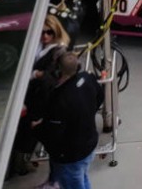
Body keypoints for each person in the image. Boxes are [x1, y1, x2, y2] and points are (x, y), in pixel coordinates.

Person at [31, 51, 102, 189]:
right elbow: (100, 97)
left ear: (58, 71)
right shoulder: (87, 78)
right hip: (88, 145)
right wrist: (84, 114)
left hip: (71, 157)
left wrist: (37, 128)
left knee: (73, 184)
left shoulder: (59, 99)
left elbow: (53, 134)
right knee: (82, 177)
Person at [12, 15, 71, 177]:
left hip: (39, 99)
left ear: (56, 32)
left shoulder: (58, 51)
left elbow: (52, 79)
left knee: (29, 132)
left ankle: (20, 164)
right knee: (24, 131)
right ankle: (19, 163)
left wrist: (37, 75)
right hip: (29, 94)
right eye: (42, 32)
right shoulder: (37, 45)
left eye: (49, 32)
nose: (45, 36)